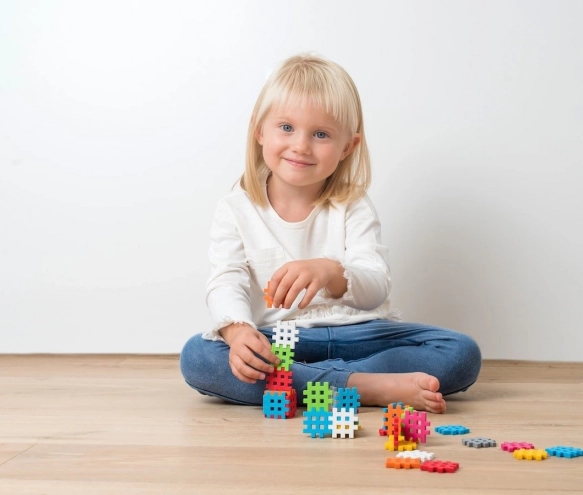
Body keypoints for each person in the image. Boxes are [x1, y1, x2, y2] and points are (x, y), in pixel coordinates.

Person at [180, 53, 481, 413]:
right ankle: (364, 387)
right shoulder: (236, 208)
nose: (301, 145)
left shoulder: (353, 204)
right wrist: (238, 331)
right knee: (199, 356)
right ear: (259, 130)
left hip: (361, 334)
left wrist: (331, 271)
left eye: (321, 134)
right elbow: (225, 281)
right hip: (281, 340)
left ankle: (317, 383)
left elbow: (375, 287)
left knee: (460, 353)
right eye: (286, 127)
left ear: (347, 148)